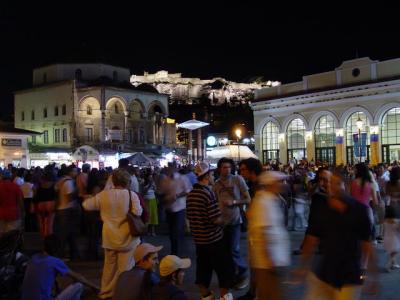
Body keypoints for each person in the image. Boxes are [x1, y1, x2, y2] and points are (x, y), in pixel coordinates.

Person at [294, 172, 377, 300]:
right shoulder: (321, 208)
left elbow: (366, 244)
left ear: (346, 185)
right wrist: (302, 266)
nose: (332, 186)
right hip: (324, 273)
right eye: (329, 182)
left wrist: (369, 274)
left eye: (337, 183)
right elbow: (311, 239)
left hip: (350, 275)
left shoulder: (359, 210)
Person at [83, 169, 143, 299]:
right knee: (125, 269)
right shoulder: (131, 195)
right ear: (127, 181)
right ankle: (122, 293)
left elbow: (87, 205)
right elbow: (138, 212)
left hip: (109, 238)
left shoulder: (104, 195)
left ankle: (106, 292)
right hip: (128, 238)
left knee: (109, 268)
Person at [187, 162, 234, 300]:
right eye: (212, 174)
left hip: (199, 240)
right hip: (214, 239)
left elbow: (190, 216)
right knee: (224, 271)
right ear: (206, 176)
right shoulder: (208, 193)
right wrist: (225, 220)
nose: (214, 175)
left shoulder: (190, 195)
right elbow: (215, 219)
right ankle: (224, 297)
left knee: (203, 270)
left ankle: (206, 296)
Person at [247, 171, 290, 300]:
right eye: (280, 182)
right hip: (268, 262)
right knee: (269, 295)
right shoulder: (262, 202)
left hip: (275, 259)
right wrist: (269, 258)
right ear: (270, 184)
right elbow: (262, 232)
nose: (283, 184)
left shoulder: (273, 199)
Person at [21, 234, 99, 300]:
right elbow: (78, 277)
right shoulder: (54, 261)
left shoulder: (33, 257)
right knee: (79, 285)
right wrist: (95, 287)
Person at [213, 157, 251, 288]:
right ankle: (232, 277)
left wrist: (234, 202)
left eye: (229, 167)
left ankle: (243, 270)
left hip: (234, 221)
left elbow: (248, 199)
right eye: (224, 167)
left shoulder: (237, 179)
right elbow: (214, 201)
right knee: (225, 253)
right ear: (219, 169)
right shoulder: (216, 184)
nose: (227, 169)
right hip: (221, 223)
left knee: (234, 250)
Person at [54, 165, 80, 260]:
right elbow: (69, 198)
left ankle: (72, 253)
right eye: (75, 171)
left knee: (67, 233)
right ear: (70, 172)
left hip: (61, 209)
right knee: (65, 234)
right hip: (67, 209)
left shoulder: (61, 180)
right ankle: (62, 254)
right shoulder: (68, 182)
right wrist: (77, 192)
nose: (76, 173)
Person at [0, 169, 24, 236]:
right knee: (11, 235)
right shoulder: (16, 187)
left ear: (1, 177)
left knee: (1, 234)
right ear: (10, 177)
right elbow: (20, 202)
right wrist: (22, 213)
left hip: (1, 213)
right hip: (14, 214)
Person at [383, 206, 400, 272]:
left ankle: (394, 264)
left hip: (386, 239)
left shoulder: (385, 221)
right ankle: (388, 265)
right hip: (394, 240)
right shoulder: (397, 221)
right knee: (394, 253)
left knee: (392, 253)